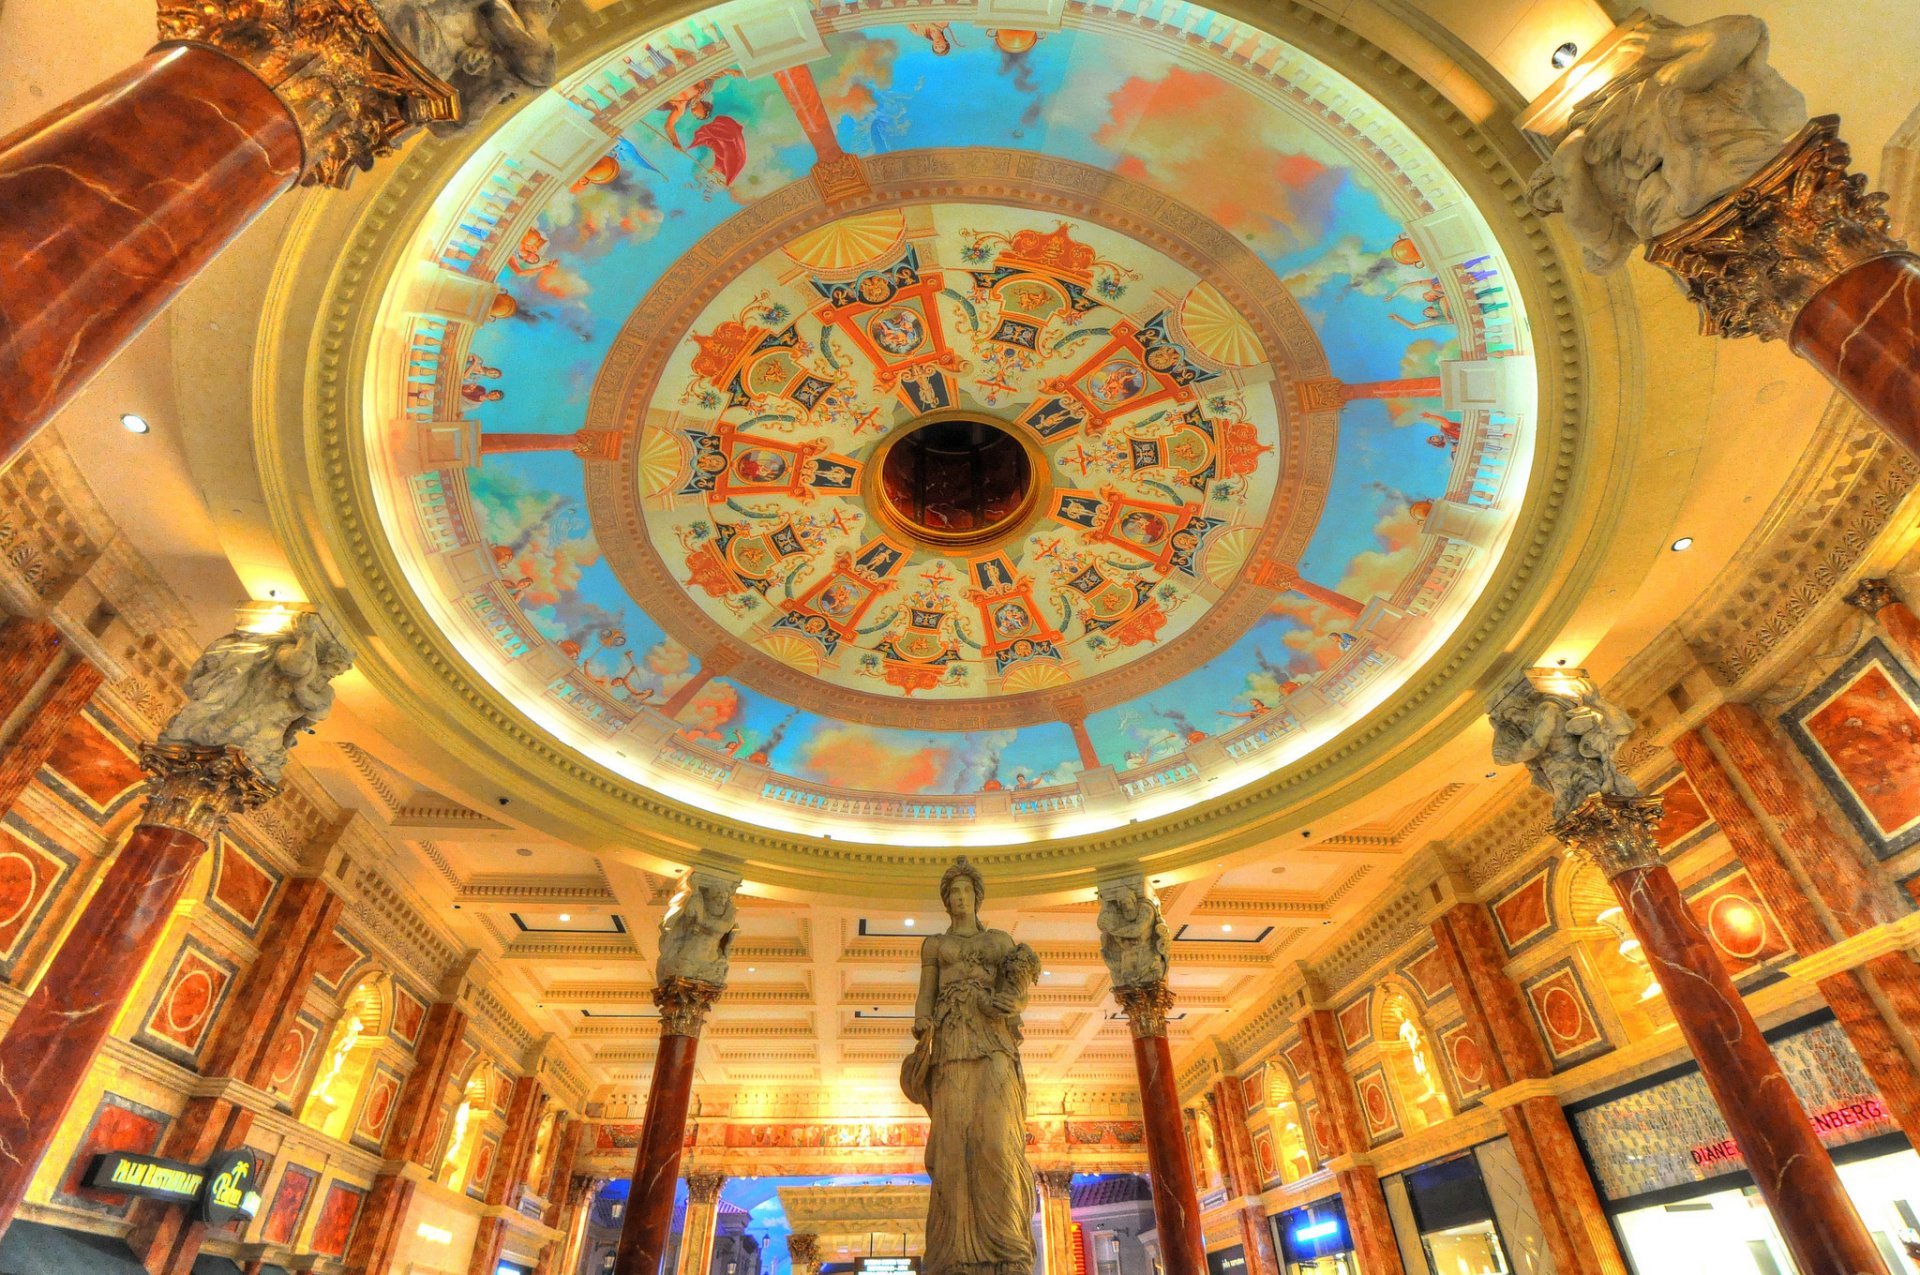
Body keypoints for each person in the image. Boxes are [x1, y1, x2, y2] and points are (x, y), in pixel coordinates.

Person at [905, 859, 1039, 1275]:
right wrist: (922, 1022)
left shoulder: (1000, 942)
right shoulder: (933, 946)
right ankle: (953, 1254)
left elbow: (1017, 991)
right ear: (946, 901)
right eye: (953, 893)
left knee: (996, 1143)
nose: (959, 898)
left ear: (977, 897)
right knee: (952, 1152)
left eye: (965, 891)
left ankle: (1008, 1246)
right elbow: (925, 994)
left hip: (992, 1040)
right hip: (949, 1045)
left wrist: (1014, 1001)